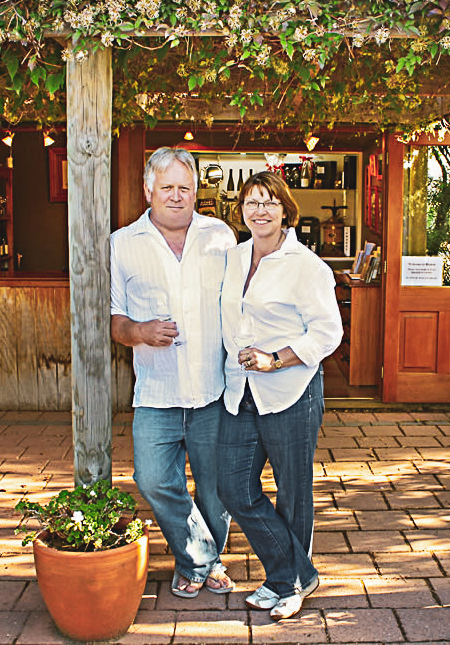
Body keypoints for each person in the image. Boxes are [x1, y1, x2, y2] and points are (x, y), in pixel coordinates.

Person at [110, 147, 236, 598]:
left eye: (185, 187)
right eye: (168, 188)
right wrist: (140, 331)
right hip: (156, 392)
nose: (177, 196)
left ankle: (195, 567)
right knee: (153, 479)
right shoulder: (123, 243)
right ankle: (204, 560)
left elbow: (243, 304)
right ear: (149, 190)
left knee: (216, 491)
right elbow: (114, 320)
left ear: (196, 190)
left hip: (213, 391)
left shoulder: (220, 237)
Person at [217, 171, 343, 620]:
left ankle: (284, 582)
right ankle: (298, 572)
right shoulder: (232, 259)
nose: (260, 210)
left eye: (269, 201)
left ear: (286, 209)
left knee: (293, 491)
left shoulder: (307, 266)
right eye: (251, 202)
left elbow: (329, 333)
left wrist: (277, 358)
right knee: (231, 486)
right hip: (240, 390)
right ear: (242, 212)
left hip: (291, 391)